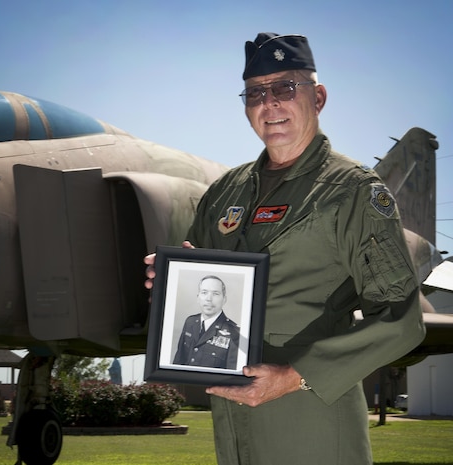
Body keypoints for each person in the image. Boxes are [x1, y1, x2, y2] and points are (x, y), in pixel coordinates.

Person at [145, 32, 425, 465]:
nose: (269, 103)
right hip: (232, 423)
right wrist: (168, 279)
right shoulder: (224, 192)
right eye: (256, 93)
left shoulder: (354, 191)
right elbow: (200, 285)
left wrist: (294, 377)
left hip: (312, 422)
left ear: (318, 97)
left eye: (284, 88)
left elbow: (401, 322)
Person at [173, 275, 240, 369]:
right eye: (204, 292)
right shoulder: (190, 322)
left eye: (215, 293)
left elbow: (231, 375)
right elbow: (178, 361)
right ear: (198, 297)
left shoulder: (234, 332)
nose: (209, 299)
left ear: (224, 299)